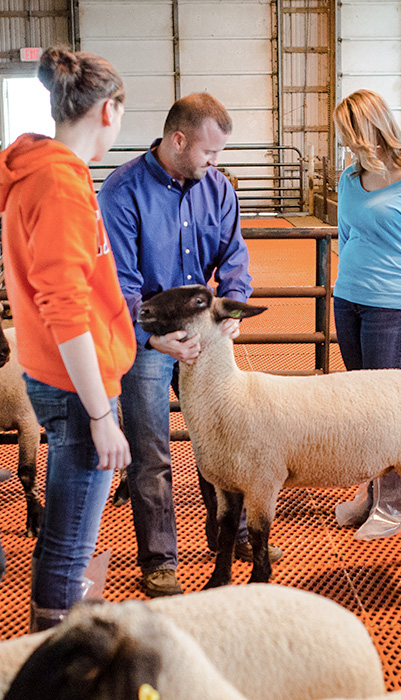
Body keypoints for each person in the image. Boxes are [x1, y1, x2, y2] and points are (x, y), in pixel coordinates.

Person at [99, 93, 279, 598]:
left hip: (207, 335)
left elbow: (234, 253)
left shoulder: (217, 189)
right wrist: (154, 338)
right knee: (151, 449)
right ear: (178, 141)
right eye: (209, 153)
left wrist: (234, 307)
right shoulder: (123, 191)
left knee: (224, 437)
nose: (215, 164)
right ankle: (160, 559)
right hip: (151, 339)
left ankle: (233, 535)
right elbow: (121, 283)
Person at [0, 48, 134, 630]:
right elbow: (65, 306)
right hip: (78, 384)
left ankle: (70, 624)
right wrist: (100, 412)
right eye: (122, 113)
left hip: (72, 373)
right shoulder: (58, 184)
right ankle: (56, 654)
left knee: (72, 521)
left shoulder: (47, 172)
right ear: (107, 110)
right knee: (71, 534)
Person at [329, 89, 401, 540]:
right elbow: (347, 234)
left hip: (392, 306)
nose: (347, 143)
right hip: (349, 299)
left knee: (389, 412)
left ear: (372, 128)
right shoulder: (349, 178)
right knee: (363, 411)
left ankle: (399, 503)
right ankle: (373, 492)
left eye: (350, 133)